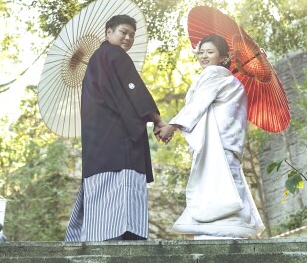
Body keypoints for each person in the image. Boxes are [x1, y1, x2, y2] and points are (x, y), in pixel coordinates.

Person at [65, 14, 167, 242]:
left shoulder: (96, 60)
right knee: (122, 193)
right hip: (118, 142)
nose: (128, 38)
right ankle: (123, 239)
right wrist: (158, 120)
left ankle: (95, 237)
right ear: (108, 32)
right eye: (124, 32)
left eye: (132, 35)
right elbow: (135, 90)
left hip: (96, 145)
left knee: (100, 196)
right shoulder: (114, 55)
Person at [157, 34, 264, 239]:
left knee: (216, 184)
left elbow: (198, 104)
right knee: (229, 183)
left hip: (216, 141)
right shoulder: (230, 80)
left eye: (210, 52)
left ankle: (216, 233)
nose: (203, 56)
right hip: (227, 141)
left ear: (223, 57)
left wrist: (172, 125)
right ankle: (234, 229)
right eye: (201, 52)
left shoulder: (213, 73)